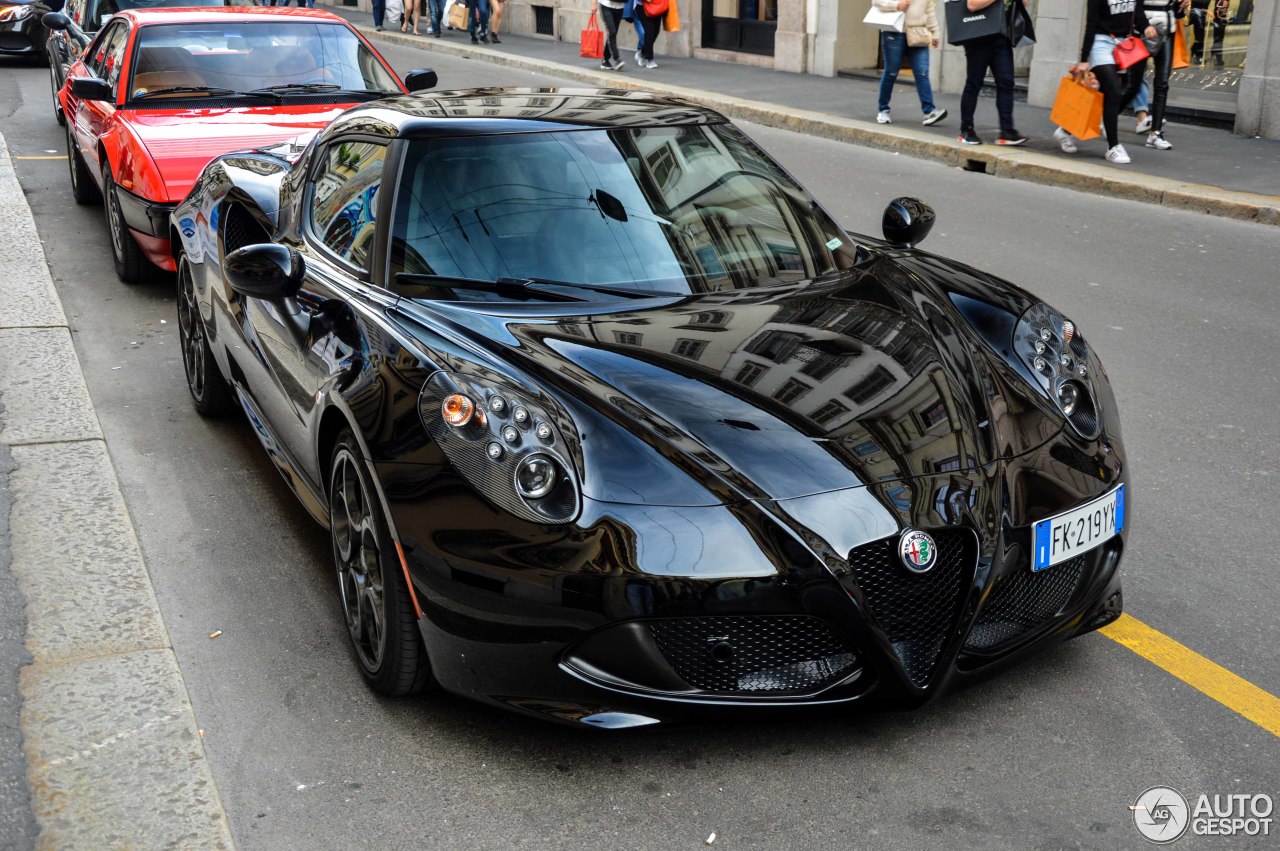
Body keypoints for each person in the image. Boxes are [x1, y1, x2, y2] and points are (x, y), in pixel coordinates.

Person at [1055, 0, 1158, 164]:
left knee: (1109, 93)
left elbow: (1137, 13)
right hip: (1101, 42)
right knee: (1114, 91)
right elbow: (1091, 23)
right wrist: (1083, 59)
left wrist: (1146, 26)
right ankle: (1113, 147)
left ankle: (1064, 130)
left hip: (1124, 44)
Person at [956, 0, 1026, 145]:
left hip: (1001, 37)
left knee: (1006, 83)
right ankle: (966, 130)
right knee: (974, 83)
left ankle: (1007, 131)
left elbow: (1023, 5)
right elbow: (972, 4)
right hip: (978, 37)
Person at [871, 0, 946, 127]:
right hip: (894, 32)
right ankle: (883, 109)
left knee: (922, 73)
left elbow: (929, 10)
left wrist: (935, 32)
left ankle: (929, 111)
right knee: (891, 72)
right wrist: (896, 5)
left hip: (918, 33)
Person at [598, 0, 626, 70]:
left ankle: (605, 60)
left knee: (612, 34)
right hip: (606, 6)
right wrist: (593, 4)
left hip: (620, 6)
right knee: (612, 32)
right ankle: (617, 59)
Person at [635, 0, 663, 69]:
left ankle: (642, 52)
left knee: (655, 31)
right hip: (643, 6)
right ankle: (649, 59)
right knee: (649, 31)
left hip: (657, 5)